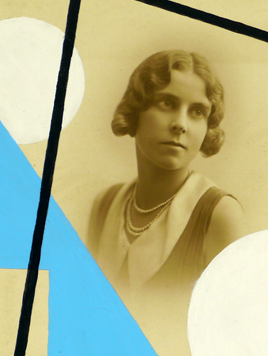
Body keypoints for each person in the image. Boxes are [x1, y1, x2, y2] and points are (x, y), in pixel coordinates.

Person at [88, 49, 246, 291]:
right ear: (136, 110)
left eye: (197, 112)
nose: (180, 124)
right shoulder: (105, 205)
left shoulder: (219, 215)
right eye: (167, 103)